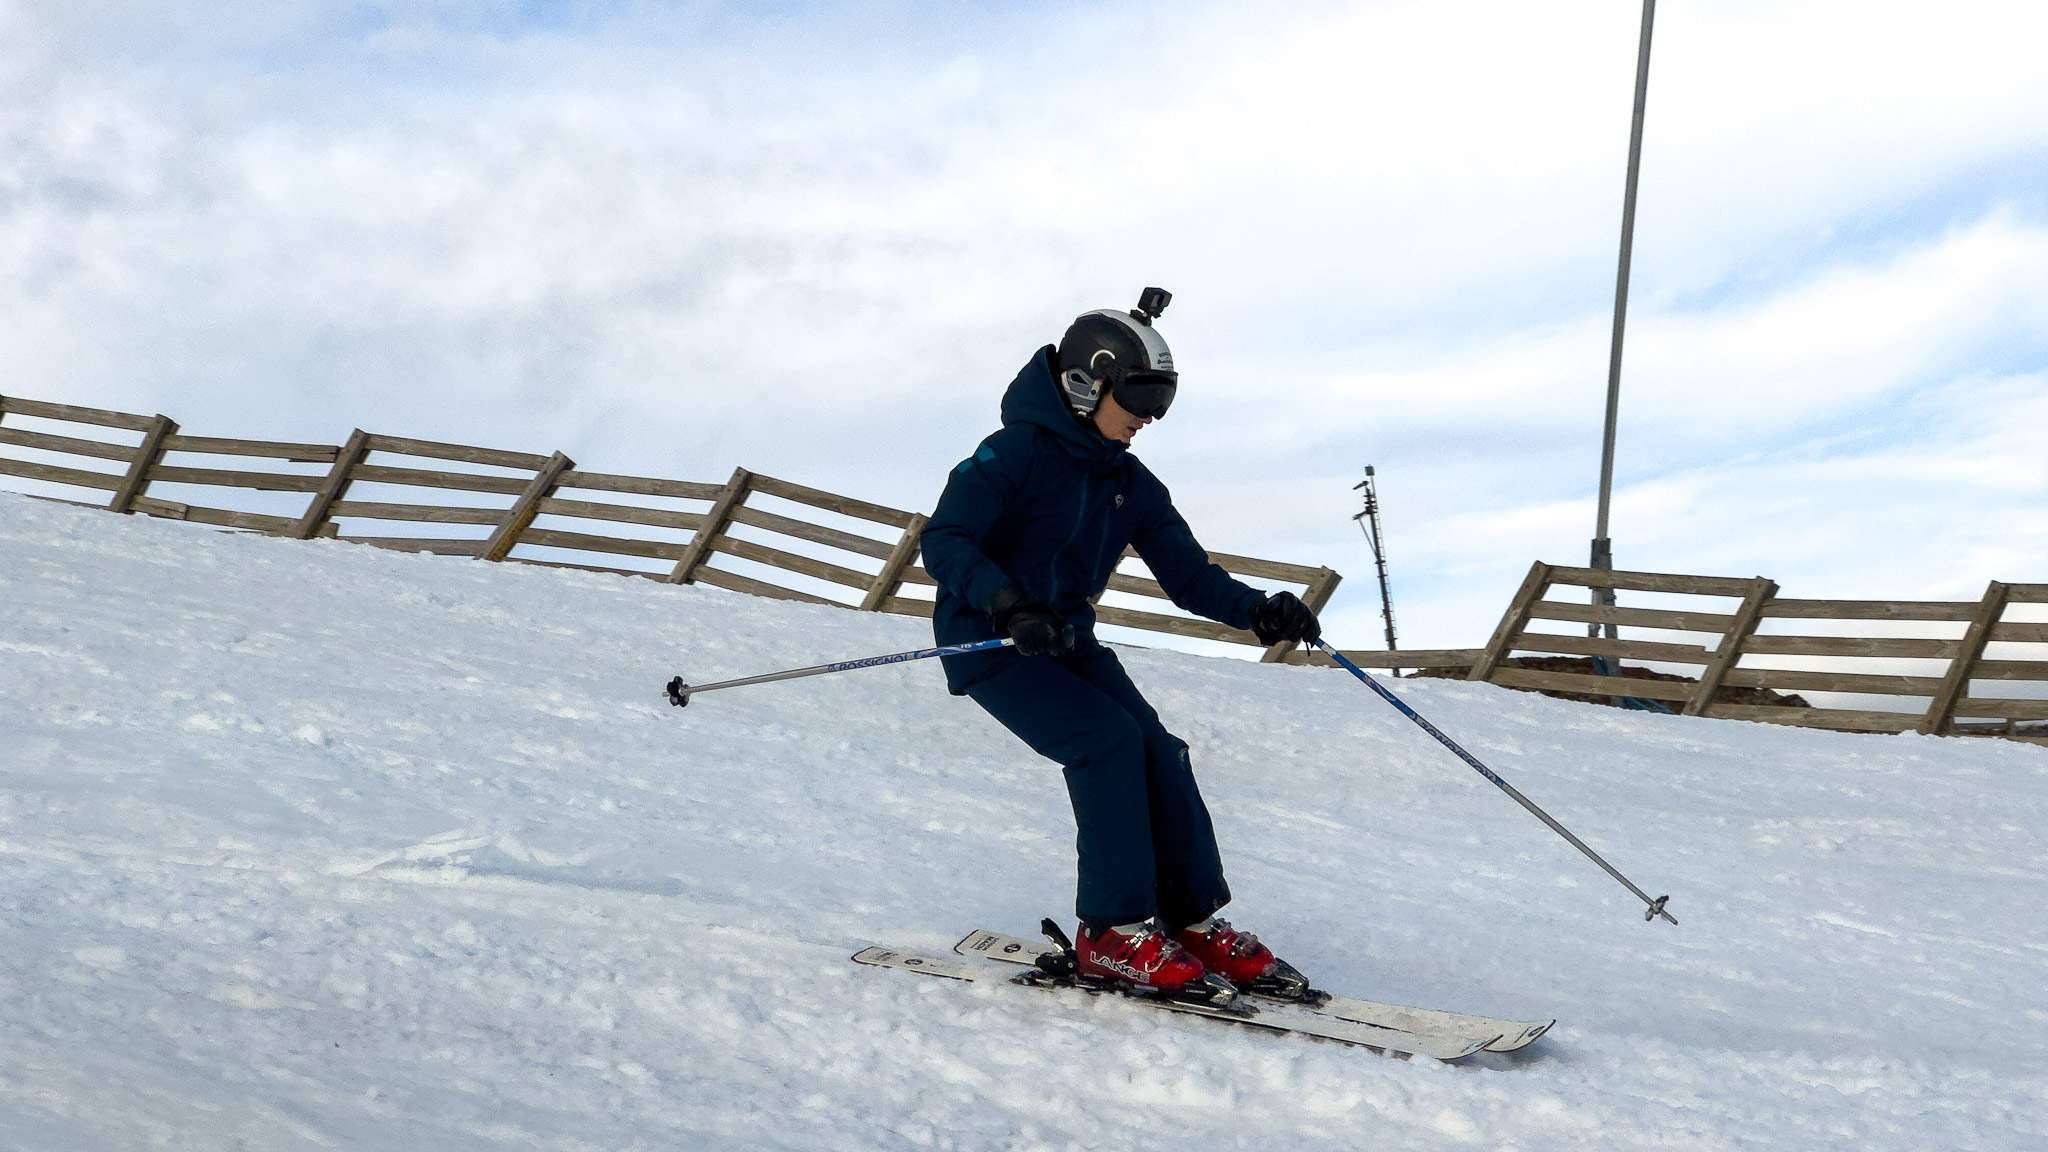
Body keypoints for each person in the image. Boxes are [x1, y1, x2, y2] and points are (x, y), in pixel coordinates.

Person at [921, 288, 1323, 1004]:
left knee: (1157, 749)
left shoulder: (1128, 482)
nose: (1148, 415)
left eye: (1161, 399)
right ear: (1085, 383)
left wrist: (1260, 611)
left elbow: (1190, 576)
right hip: (990, 640)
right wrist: (1007, 603)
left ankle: (1190, 921)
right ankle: (1110, 933)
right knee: (1105, 742)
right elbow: (945, 538)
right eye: (1138, 394)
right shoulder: (1013, 453)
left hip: (1067, 641)